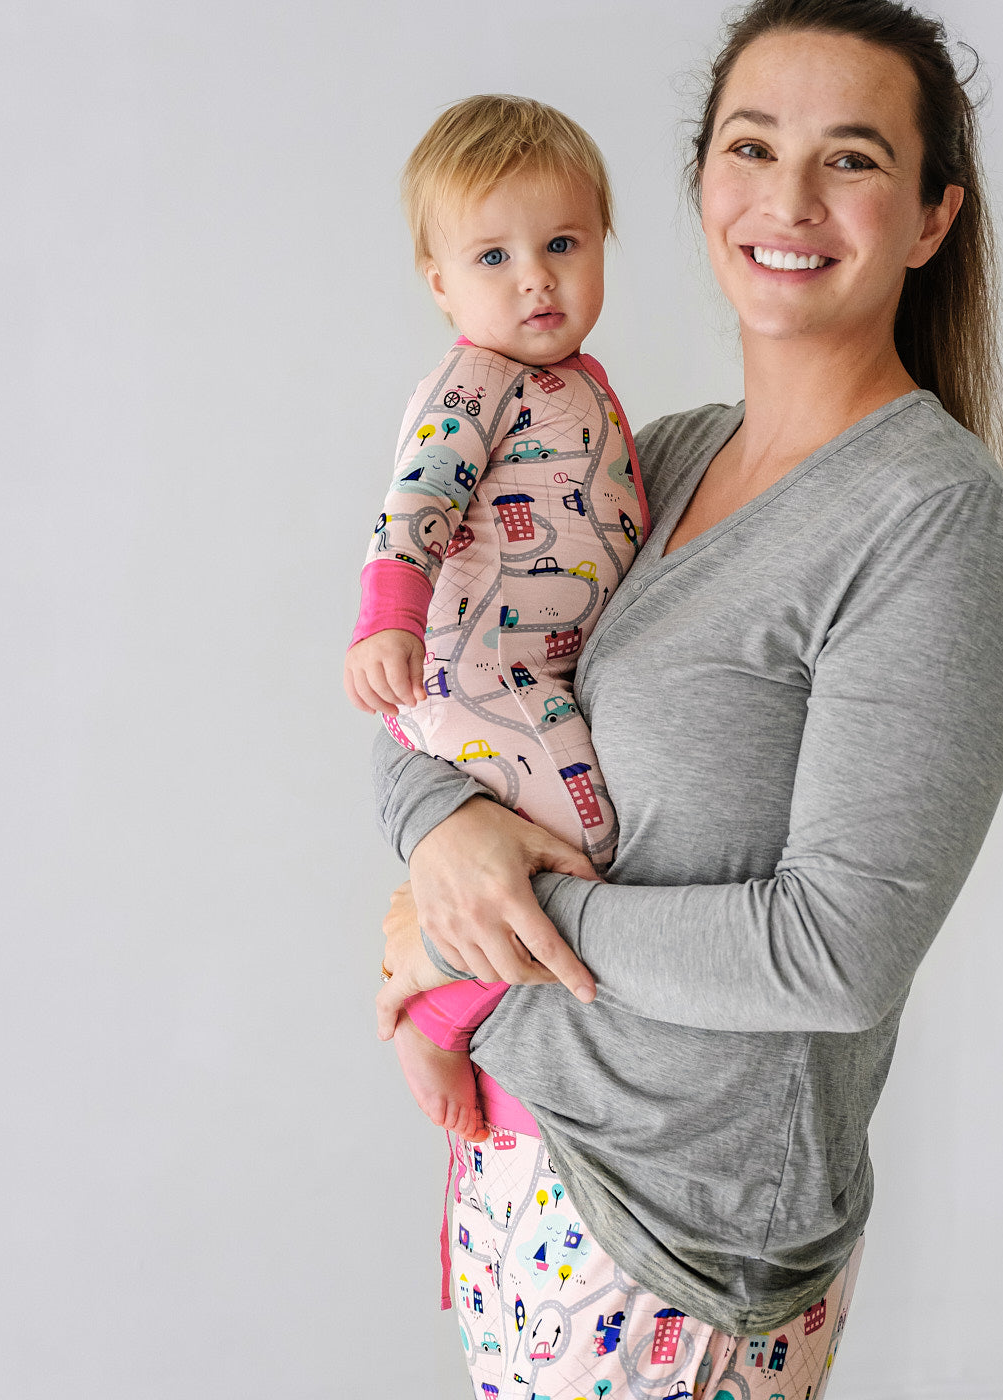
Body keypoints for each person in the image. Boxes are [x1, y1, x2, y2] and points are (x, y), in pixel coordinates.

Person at [371, 2, 1003, 1396]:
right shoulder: (648, 461)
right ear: (699, 187)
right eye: (751, 146)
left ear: (930, 218)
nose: (788, 198)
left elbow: (834, 952)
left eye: (850, 158)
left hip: (687, 1240)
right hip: (520, 1157)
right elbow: (449, 669)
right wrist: (440, 830)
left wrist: (482, 926)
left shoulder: (931, 523)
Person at [344, 96, 649, 1144]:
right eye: (493, 256)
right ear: (439, 282)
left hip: (534, 674)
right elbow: (418, 499)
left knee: (572, 837)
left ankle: (447, 972)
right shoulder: (474, 380)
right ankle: (434, 1005)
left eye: (563, 244)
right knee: (589, 839)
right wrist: (387, 618)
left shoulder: (576, 383)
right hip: (478, 675)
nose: (536, 278)